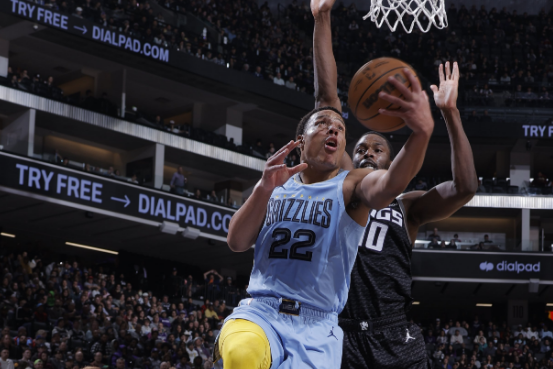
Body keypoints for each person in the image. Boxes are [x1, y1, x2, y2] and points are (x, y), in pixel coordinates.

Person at [213, 0, 434, 367]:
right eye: (324, 125)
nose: (334, 128)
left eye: (341, 128)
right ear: (301, 140)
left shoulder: (351, 188)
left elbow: (391, 183)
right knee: (242, 353)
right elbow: (236, 241)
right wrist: (262, 190)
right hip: (261, 312)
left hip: (318, 327)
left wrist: (422, 133)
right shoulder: (276, 184)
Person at [339, 61, 477, 369]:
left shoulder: (406, 206)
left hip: (394, 334)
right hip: (340, 332)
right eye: (361, 149)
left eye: (378, 149)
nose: (368, 153)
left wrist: (450, 113)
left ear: (393, 163)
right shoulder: (336, 196)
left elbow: (465, 187)